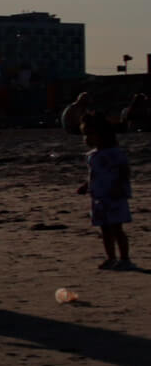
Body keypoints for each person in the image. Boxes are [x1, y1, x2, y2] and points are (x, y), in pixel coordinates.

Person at [78, 115, 133, 270]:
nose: (87, 138)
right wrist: (86, 185)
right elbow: (95, 174)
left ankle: (125, 258)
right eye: (85, 134)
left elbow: (124, 171)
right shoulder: (93, 155)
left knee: (117, 228)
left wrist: (119, 187)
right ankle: (111, 257)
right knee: (104, 229)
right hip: (99, 196)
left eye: (90, 134)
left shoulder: (114, 153)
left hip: (114, 195)